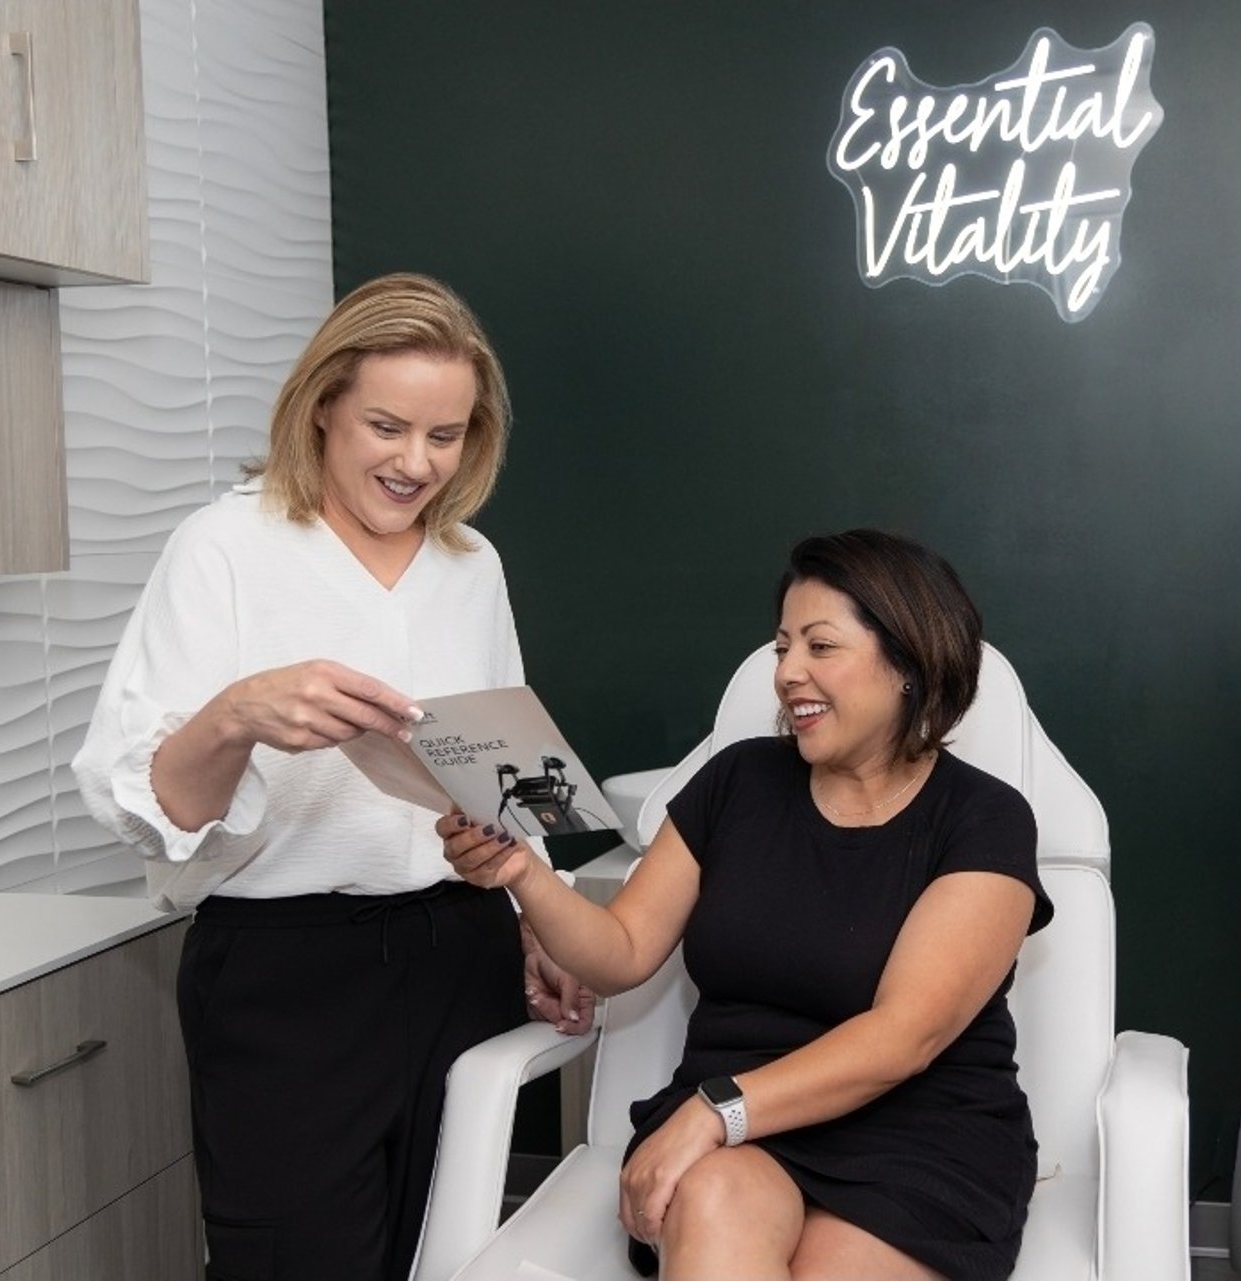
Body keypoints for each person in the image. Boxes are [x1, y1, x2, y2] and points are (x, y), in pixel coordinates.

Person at [72, 273, 592, 1281]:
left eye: (445, 437)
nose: (415, 463)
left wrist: (540, 914)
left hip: (461, 955)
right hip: (285, 976)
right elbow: (146, 810)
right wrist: (239, 714)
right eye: (386, 427)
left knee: (448, 1256)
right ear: (321, 406)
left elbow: (506, 763)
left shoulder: (471, 562)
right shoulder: (224, 546)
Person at [441, 529, 1053, 1281]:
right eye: (782, 647)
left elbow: (905, 1036)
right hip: (739, 1137)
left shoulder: (983, 818)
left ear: (908, 662)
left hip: (918, 1133)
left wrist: (713, 1109)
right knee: (716, 1205)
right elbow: (622, 948)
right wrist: (520, 873)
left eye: (820, 647)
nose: (789, 672)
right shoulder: (738, 781)